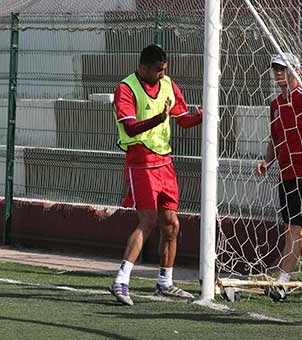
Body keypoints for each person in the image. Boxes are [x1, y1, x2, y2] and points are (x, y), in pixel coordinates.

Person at [109, 44, 202, 306]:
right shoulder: (126, 89)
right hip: (140, 161)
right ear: (143, 67)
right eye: (158, 70)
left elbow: (182, 118)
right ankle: (120, 280)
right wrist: (158, 119)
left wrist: (201, 116)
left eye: (164, 70)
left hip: (165, 162)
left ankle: (165, 282)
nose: (162, 75)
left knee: (171, 224)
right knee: (148, 221)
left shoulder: (169, 84)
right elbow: (129, 128)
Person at [256, 52, 302, 301]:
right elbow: (274, 139)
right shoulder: (275, 104)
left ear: (295, 70)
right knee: (296, 229)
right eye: (275, 68)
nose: (278, 73)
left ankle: (282, 281)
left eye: (282, 68)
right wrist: (267, 161)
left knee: (296, 231)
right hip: (286, 173)